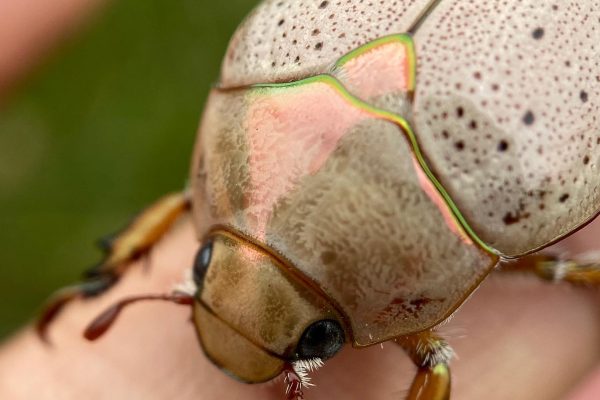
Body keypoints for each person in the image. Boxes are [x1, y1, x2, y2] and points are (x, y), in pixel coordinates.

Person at [0, 1, 598, 399]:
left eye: (321, 339)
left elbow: (192, 200)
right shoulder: (247, 120)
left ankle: (107, 278)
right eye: (316, 336)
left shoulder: (511, 191)